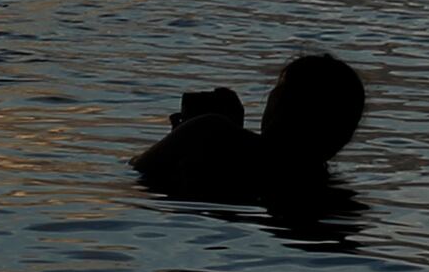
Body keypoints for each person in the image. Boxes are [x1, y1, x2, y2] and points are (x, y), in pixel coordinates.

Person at [132, 52, 366, 203]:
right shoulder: (322, 187)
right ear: (346, 135)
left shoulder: (210, 130)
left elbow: (138, 170)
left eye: (276, 91)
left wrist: (186, 133)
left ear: (280, 105)